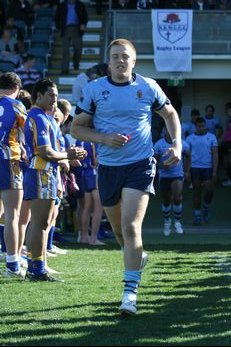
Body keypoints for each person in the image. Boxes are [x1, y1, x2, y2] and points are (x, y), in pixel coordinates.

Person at [70, 38, 182, 315]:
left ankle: (129, 293)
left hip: (140, 164)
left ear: (134, 61)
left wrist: (176, 144)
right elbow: (76, 128)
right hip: (108, 168)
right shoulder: (95, 90)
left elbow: (170, 114)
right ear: (109, 62)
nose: (121, 60)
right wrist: (104, 138)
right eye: (115, 56)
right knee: (119, 231)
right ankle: (137, 257)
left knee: (131, 227)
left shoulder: (148, 86)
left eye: (126, 56)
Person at [23, 78, 87, 281]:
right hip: (41, 172)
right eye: (51, 95)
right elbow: (45, 152)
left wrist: (67, 154)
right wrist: (68, 154)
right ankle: (35, 268)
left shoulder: (45, 117)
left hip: (47, 173)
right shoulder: (38, 117)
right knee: (40, 223)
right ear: (38, 95)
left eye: (57, 96)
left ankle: (40, 265)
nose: (54, 100)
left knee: (45, 222)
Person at [0, 72, 27, 278]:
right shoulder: (17, 105)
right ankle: (12, 265)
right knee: (12, 215)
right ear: (17, 88)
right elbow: (30, 134)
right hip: (9, 159)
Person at [154, 127, 190, 236]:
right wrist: (161, 165)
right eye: (168, 130)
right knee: (166, 199)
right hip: (164, 175)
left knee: (177, 196)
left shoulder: (182, 143)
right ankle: (167, 221)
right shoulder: (159, 144)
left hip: (177, 174)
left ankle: (177, 222)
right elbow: (153, 160)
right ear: (165, 130)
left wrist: (187, 171)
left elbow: (188, 156)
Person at [186, 117, 218, 225]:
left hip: (208, 168)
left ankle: (206, 207)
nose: (201, 128)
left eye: (202, 126)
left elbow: (215, 154)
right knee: (196, 192)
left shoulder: (212, 137)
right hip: (195, 168)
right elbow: (187, 156)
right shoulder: (189, 138)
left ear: (205, 126)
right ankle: (197, 216)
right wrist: (187, 171)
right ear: (195, 127)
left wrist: (214, 171)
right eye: (198, 126)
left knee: (209, 191)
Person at [54, 0, 88, 75]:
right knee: (65, 50)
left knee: (78, 48)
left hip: (77, 28)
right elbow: (56, 17)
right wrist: (59, 27)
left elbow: (85, 17)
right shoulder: (62, 5)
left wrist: (83, 24)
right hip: (65, 28)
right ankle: (65, 69)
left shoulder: (80, 5)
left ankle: (76, 64)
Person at [220, 102, 231, 186]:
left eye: (227, 109)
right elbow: (225, 132)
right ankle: (228, 178)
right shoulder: (227, 119)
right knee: (225, 162)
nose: (226, 111)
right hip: (225, 143)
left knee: (229, 162)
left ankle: (229, 179)